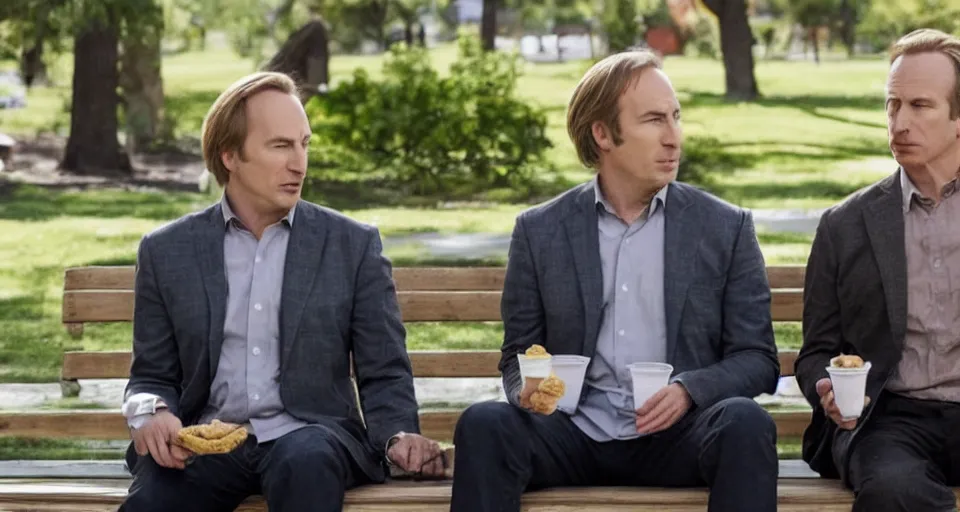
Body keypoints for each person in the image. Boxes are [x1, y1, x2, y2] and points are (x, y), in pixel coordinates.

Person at [449, 49, 781, 512]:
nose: (673, 138)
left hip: (677, 437)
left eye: (675, 117)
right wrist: (527, 387)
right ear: (602, 134)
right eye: (653, 120)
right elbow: (519, 353)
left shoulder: (724, 227)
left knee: (746, 423)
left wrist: (690, 391)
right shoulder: (541, 231)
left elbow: (758, 359)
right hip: (571, 433)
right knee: (484, 424)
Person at [118, 71, 444, 512]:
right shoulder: (166, 251)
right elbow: (152, 375)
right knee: (155, 498)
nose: (299, 163)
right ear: (230, 155)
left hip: (310, 435)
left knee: (304, 461)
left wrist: (397, 436)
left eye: (304, 144)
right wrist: (152, 411)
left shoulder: (351, 245)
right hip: (207, 441)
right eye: (280, 146)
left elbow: (384, 369)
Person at [796, 28, 960, 512]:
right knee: (894, 491)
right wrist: (826, 388)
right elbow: (816, 353)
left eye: (920, 106)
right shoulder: (845, 225)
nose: (900, 123)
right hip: (889, 420)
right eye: (893, 105)